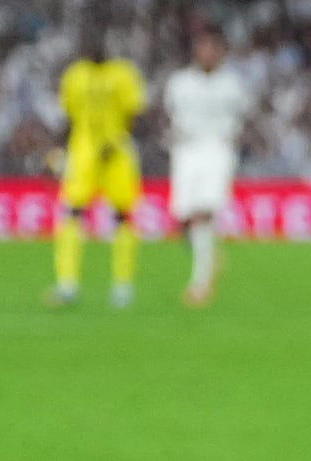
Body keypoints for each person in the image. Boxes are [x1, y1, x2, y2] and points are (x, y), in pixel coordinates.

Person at [159, 30, 256, 308]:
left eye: (213, 49)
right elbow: (169, 113)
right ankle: (210, 256)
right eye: (203, 48)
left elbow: (245, 116)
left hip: (217, 150)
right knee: (183, 216)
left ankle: (200, 283)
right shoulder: (179, 82)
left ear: (222, 52)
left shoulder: (233, 84)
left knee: (203, 212)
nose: (208, 54)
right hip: (186, 151)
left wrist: (235, 142)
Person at [49, 40, 144, 310]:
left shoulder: (123, 73)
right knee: (71, 213)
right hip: (83, 152)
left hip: (117, 153)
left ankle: (122, 286)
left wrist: (114, 141)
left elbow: (133, 114)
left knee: (122, 216)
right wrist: (58, 150)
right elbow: (68, 116)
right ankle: (67, 284)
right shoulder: (75, 74)